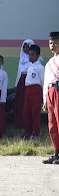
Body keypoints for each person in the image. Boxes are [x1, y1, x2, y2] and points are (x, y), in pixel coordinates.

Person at [22, 44, 45, 139]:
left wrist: (44, 96)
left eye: (32, 54)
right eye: (29, 54)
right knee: (26, 112)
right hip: (28, 90)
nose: (30, 56)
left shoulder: (40, 67)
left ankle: (36, 133)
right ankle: (28, 132)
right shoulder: (30, 67)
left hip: (36, 90)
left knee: (35, 113)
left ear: (38, 56)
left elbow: (43, 81)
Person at [43, 32, 59, 164]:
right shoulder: (49, 63)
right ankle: (56, 152)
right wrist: (45, 99)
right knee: (52, 124)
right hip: (50, 92)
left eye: (55, 43)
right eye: (51, 43)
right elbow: (46, 82)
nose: (52, 45)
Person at [15, 39, 35, 129]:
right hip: (21, 84)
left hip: (30, 85)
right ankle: (20, 123)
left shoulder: (35, 61)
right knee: (20, 103)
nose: (26, 49)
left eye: (28, 47)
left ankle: (30, 125)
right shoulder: (21, 60)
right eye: (24, 47)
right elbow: (19, 74)